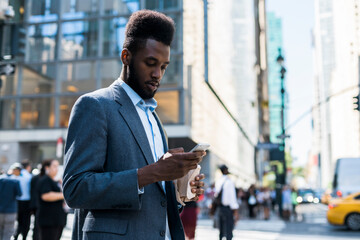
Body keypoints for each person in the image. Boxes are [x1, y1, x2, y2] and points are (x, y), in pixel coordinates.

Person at [63, 10, 206, 240]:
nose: (158, 74)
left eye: (164, 66)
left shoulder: (154, 119)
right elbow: (76, 188)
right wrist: (150, 173)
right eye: (150, 63)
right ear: (126, 57)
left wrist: (180, 189)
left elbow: (155, 199)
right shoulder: (95, 105)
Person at [37, 159, 67, 240]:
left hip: (55, 220)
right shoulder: (45, 179)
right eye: (54, 166)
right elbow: (46, 196)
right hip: (48, 220)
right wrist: (64, 195)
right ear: (47, 168)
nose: (56, 169)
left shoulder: (54, 180)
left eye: (57, 166)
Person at [214, 165, 239, 240]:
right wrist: (235, 209)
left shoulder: (219, 181)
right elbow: (232, 197)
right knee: (229, 228)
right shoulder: (229, 182)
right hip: (227, 208)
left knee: (221, 228)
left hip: (220, 208)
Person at [0, 164, 22, 240]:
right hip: (11, 210)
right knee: (8, 233)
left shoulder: (1, 179)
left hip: (1, 209)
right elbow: (20, 194)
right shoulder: (15, 181)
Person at [12, 161, 32, 240]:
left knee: (18, 221)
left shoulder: (15, 176)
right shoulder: (28, 176)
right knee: (26, 222)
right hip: (26, 202)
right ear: (28, 167)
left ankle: (16, 236)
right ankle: (24, 237)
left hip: (17, 201)